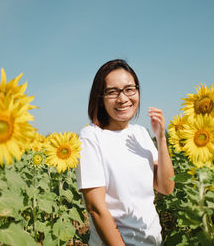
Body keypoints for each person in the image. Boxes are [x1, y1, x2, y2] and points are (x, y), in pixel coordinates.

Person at [75, 59, 175, 245]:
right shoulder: (91, 138)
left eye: (129, 89)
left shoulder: (140, 134)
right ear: (100, 98)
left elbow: (166, 187)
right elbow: (96, 208)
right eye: (112, 91)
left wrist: (161, 139)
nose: (123, 98)